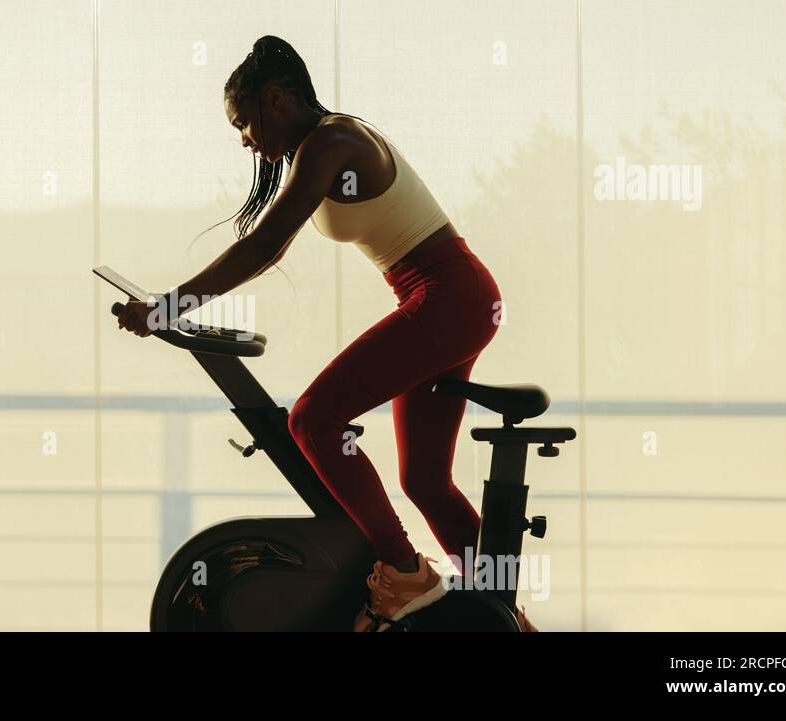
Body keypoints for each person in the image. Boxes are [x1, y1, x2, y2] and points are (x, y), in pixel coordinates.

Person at [116, 35, 536, 633]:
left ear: (278, 99)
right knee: (424, 479)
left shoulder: (333, 141)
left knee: (313, 419)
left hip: (450, 297)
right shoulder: (322, 145)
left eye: (244, 123)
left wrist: (167, 308)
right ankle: (503, 617)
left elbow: (264, 246)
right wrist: (170, 308)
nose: (244, 139)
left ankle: (404, 571)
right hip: (452, 298)